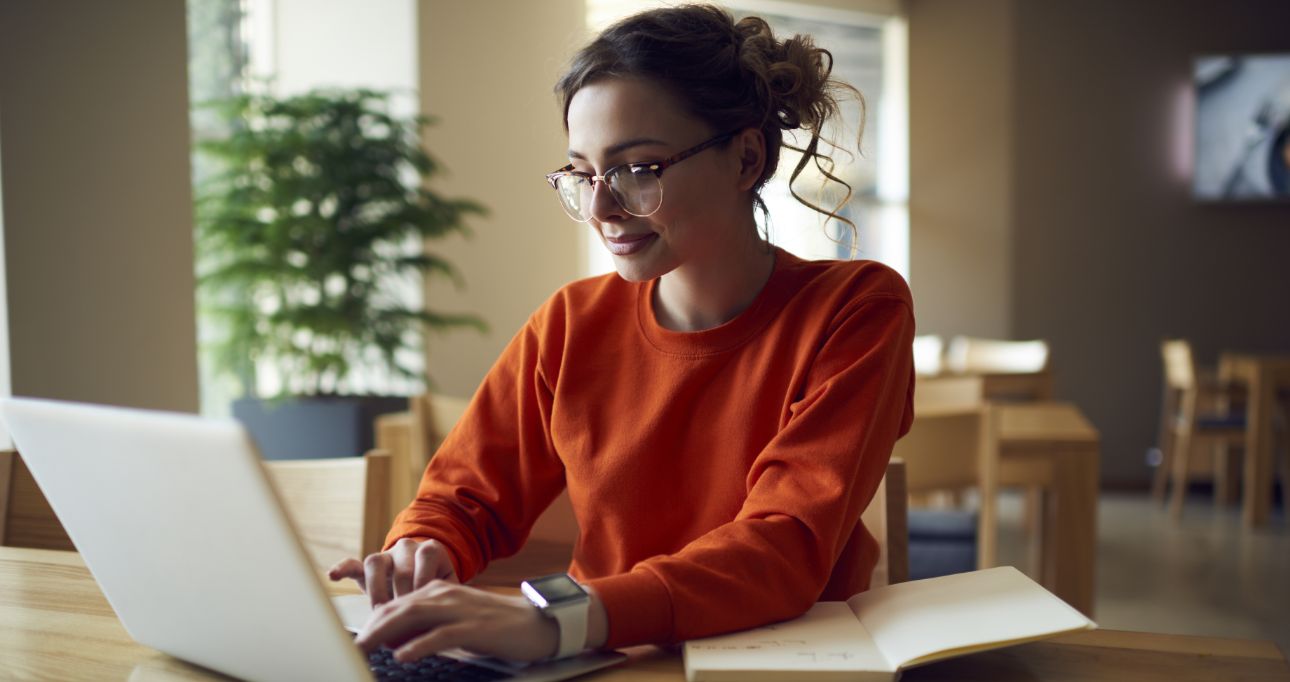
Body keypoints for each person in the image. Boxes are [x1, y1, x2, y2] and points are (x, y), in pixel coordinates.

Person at [330, 3, 915, 665]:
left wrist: (556, 620)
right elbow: (461, 498)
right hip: (606, 660)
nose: (602, 208)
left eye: (638, 169)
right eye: (582, 173)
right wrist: (422, 548)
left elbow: (780, 549)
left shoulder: (856, 309)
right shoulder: (569, 323)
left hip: (782, 666)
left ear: (746, 158)